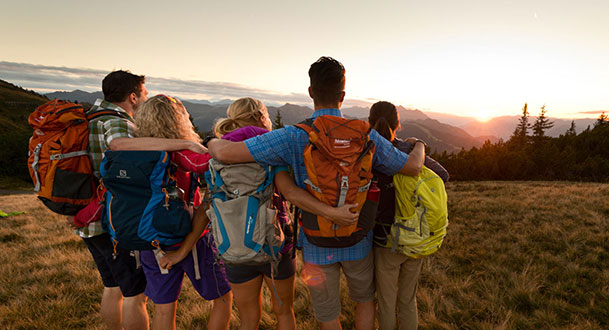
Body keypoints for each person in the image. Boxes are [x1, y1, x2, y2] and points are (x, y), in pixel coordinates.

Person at [207, 56, 426, 330]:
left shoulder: (293, 135)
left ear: (311, 92)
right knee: (364, 302)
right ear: (343, 95)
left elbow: (225, 153)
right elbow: (413, 166)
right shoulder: (366, 134)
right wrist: (419, 144)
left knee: (327, 314)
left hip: (316, 242)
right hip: (358, 237)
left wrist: (211, 140)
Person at [159, 96, 360, 330]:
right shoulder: (270, 152)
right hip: (275, 245)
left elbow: (207, 208)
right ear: (259, 117)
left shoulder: (218, 157)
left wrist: (181, 251)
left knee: (248, 317)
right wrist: (333, 213)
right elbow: (291, 193)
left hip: (233, 247)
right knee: (284, 312)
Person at [79, 70, 207, 330]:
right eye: (144, 94)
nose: (145, 98)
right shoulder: (118, 122)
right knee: (134, 294)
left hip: (90, 217)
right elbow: (119, 146)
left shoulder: (90, 118)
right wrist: (184, 142)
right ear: (133, 96)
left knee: (113, 285)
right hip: (120, 219)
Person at [131, 94, 233, 330]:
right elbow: (209, 162)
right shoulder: (179, 151)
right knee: (223, 297)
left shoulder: (135, 149)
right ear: (178, 120)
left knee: (164, 307)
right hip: (187, 235)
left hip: (149, 238)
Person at [368, 101, 449, 330]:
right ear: (398, 124)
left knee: (386, 301)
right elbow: (442, 175)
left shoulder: (368, 152)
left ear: (369, 123)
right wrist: (419, 146)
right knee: (407, 299)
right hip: (416, 236)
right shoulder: (407, 151)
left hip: (385, 239)